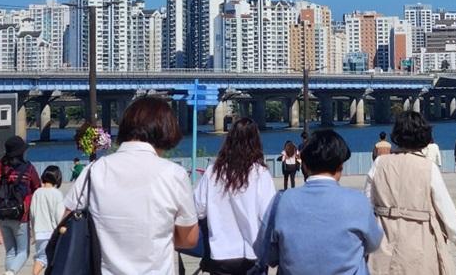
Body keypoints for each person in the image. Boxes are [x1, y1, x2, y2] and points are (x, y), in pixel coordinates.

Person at [62, 97, 199, 275]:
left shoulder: (93, 171)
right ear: (167, 130)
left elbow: (65, 224)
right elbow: (189, 239)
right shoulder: (174, 174)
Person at [257, 129, 382, 275]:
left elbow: (267, 252)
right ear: (340, 166)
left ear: (305, 166)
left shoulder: (282, 201)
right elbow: (374, 243)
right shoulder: (357, 201)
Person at [365, 111, 456, 274]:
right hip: (420, 235)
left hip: (383, 235)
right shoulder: (428, 167)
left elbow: (367, 201)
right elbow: (444, 206)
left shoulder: (379, 163)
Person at [194, 117, 277, 275]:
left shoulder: (213, 172)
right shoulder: (260, 173)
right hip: (253, 252)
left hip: (220, 252)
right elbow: (268, 214)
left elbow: (198, 209)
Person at [0, 135, 42, 275]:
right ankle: (11, 272)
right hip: (20, 215)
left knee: (10, 251)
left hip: (1, 213)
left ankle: (10, 272)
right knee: (23, 251)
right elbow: (37, 187)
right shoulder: (28, 168)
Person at [31, 166, 64, 275]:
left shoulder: (37, 193)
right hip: (52, 233)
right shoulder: (57, 194)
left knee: (41, 257)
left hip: (39, 232)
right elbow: (59, 215)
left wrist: (33, 232)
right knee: (51, 259)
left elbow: (32, 213)